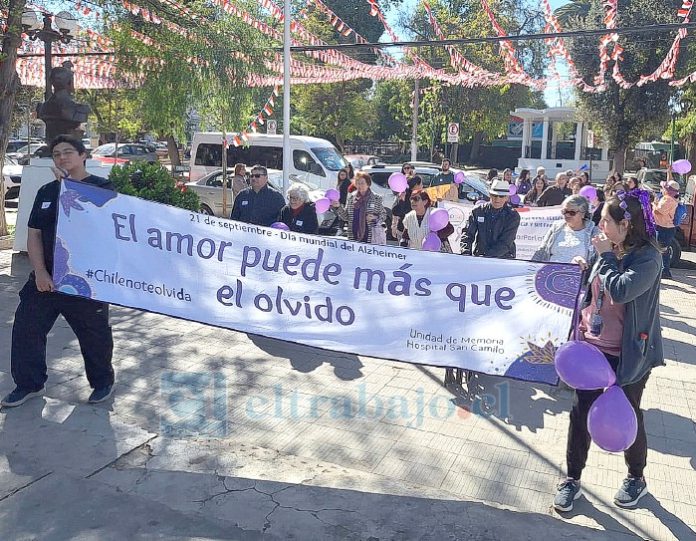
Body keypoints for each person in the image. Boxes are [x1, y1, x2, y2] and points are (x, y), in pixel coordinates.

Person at [553, 189, 664, 512]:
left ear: (626, 225)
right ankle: (571, 479)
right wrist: (586, 268)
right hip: (592, 349)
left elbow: (623, 289)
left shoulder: (648, 258)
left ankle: (636, 477)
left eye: (605, 221)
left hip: (629, 354)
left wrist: (602, 258)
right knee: (580, 413)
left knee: (629, 414)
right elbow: (597, 290)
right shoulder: (606, 248)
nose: (599, 226)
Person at [2, 135, 115, 407]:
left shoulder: (103, 188)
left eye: (68, 152)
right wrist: (40, 273)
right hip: (47, 279)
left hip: (85, 281)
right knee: (26, 328)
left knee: (95, 336)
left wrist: (69, 187)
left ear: (83, 155)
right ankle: (29, 384)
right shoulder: (46, 192)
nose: (62, 157)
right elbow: (34, 235)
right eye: (56, 154)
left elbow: (100, 226)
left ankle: (102, 383)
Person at [460, 179, 521, 259]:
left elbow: (506, 242)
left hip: (504, 259)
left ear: (507, 197)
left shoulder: (513, 216)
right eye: (494, 195)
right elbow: (467, 234)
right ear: (490, 195)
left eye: (501, 196)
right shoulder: (478, 211)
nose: (497, 199)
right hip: (480, 257)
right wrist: (466, 254)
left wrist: (486, 257)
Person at [532, 195, 600, 263]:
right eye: (565, 211)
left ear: (583, 214)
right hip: (551, 271)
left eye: (572, 212)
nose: (567, 215)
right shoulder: (556, 227)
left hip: (578, 272)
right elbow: (542, 250)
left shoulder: (594, 232)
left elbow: (597, 260)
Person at [331, 171, 386, 243]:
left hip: (370, 237)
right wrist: (338, 207)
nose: (360, 185)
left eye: (362, 183)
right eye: (357, 183)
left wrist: (374, 218)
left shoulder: (376, 198)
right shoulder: (351, 198)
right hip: (353, 236)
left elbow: (383, 215)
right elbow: (346, 217)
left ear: (368, 183)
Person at [652, 178, 680, 279]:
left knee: (662, 250)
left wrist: (654, 203)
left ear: (668, 190)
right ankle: (664, 270)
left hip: (664, 228)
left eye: (664, 188)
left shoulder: (668, 199)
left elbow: (658, 211)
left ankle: (665, 271)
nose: (662, 189)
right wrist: (669, 172)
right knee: (663, 250)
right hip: (665, 227)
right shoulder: (673, 197)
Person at [391, 175, 424, 240]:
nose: (422, 186)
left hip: (418, 230)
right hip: (403, 230)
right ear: (416, 185)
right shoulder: (404, 194)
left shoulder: (421, 195)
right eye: (421, 184)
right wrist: (401, 201)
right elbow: (395, 211)